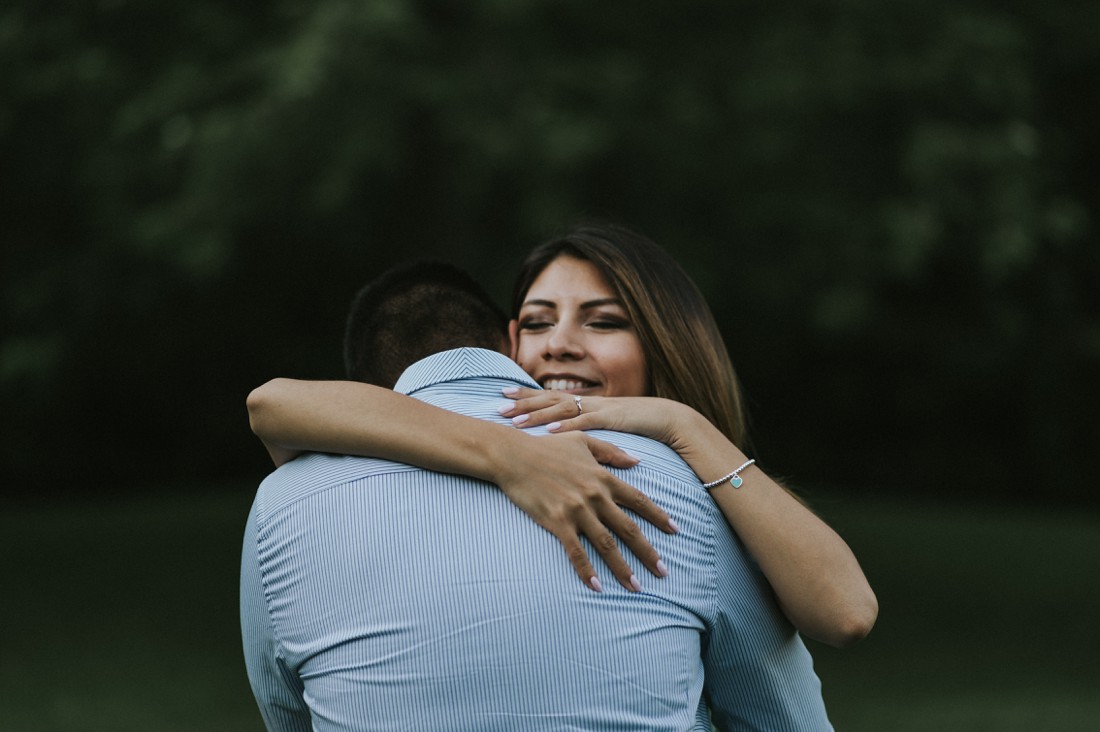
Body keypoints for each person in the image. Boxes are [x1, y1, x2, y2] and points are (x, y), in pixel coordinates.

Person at [241, 261, 834, 730]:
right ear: (507, 341)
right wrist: (510, 453)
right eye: (536, 323)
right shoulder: (674, 482)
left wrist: (684, 424)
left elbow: (845, 610)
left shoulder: (282, 500)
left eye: (604, 321)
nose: (558, 347)